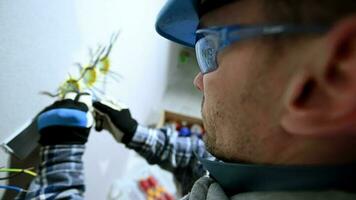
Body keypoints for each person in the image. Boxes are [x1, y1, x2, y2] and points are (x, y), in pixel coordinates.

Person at [19, 0, 356, 199]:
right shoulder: (276, 169)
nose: (198, 80)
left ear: (331, 79)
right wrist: (136, 134)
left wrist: (60, 161)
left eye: (209, 48)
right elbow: (199, 157)